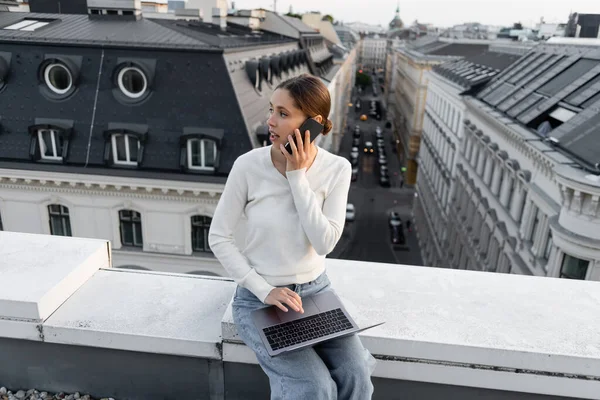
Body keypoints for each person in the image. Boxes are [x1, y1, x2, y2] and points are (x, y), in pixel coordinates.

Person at [209, 74, 376, 400]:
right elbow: (219, 237)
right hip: (259, 299)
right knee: (314, 387)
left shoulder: (337, 169)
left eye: (283, 114)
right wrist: (264, 289)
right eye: (272, 110)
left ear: (313, 123)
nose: (269, 121)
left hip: (317, 292)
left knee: (357, 378)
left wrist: (297, 176)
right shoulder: (248, 166)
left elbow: (325, 242)